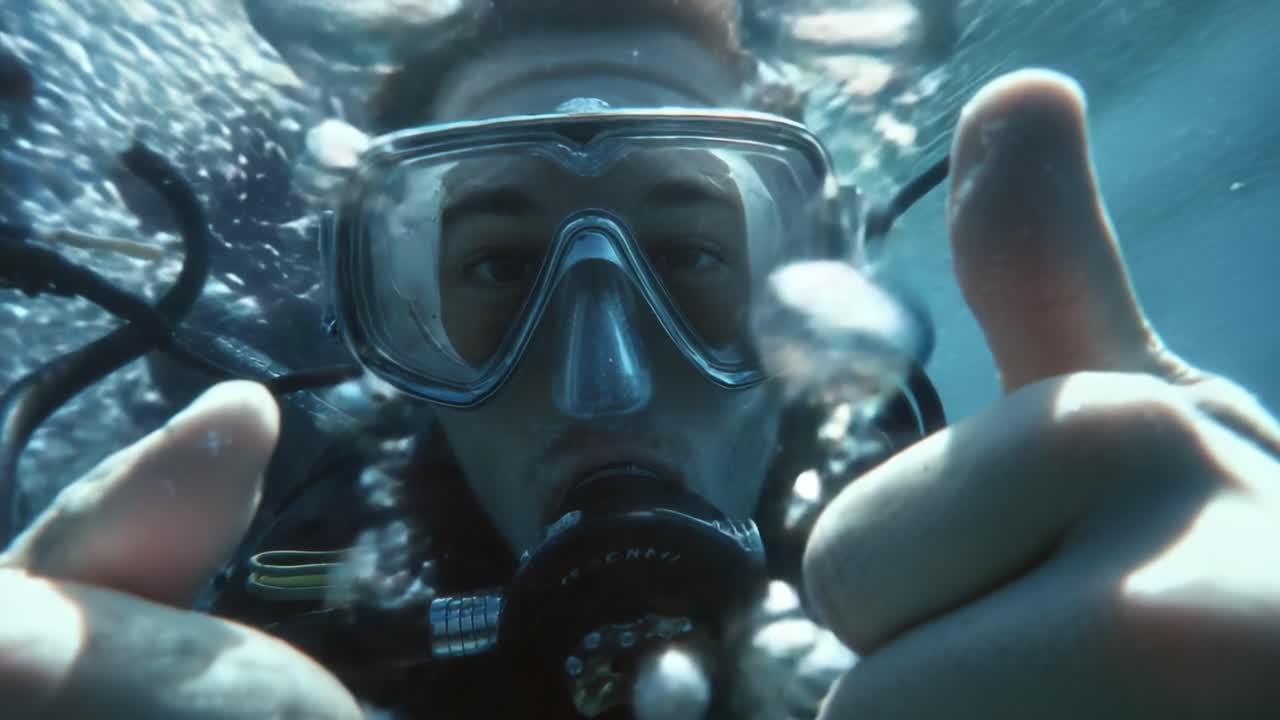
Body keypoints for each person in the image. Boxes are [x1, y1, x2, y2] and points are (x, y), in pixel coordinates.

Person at [3, 1, 1278, 718]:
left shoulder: (963, 544)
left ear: (805, 287)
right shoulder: (297, 560)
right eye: (499, 271)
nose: (604, 380)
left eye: (690, 259)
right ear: (397, 315)